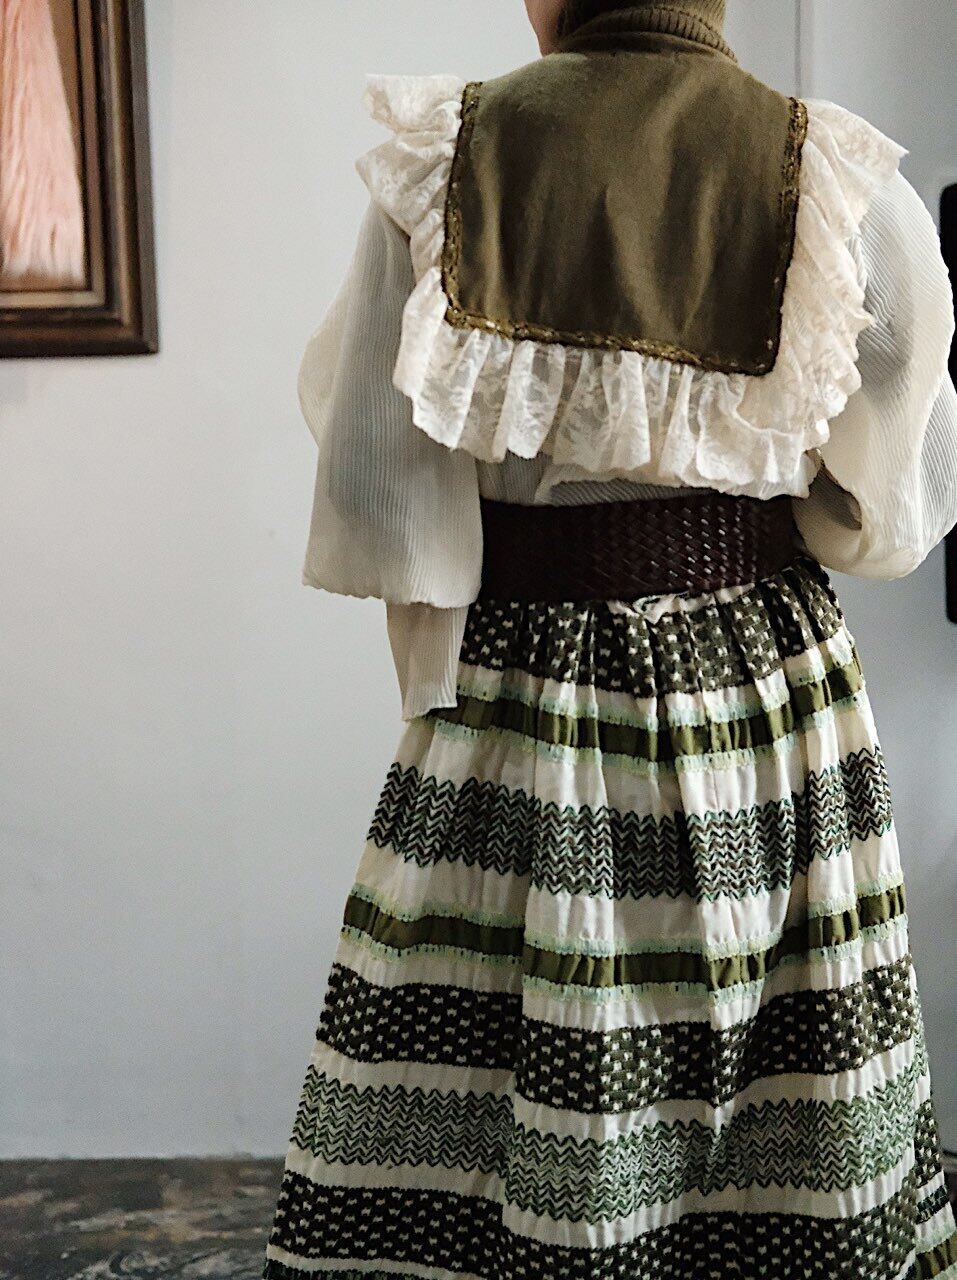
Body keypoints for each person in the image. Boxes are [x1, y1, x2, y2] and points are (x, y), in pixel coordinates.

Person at [264, 2, 957, 1277]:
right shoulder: (834, 172)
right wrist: (775, 510)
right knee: (793, 1059)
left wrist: (444, 630)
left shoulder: (448, 161)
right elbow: (895, 501)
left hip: (523, 687)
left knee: (509, 1050)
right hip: (769, 691)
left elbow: (378, 473)